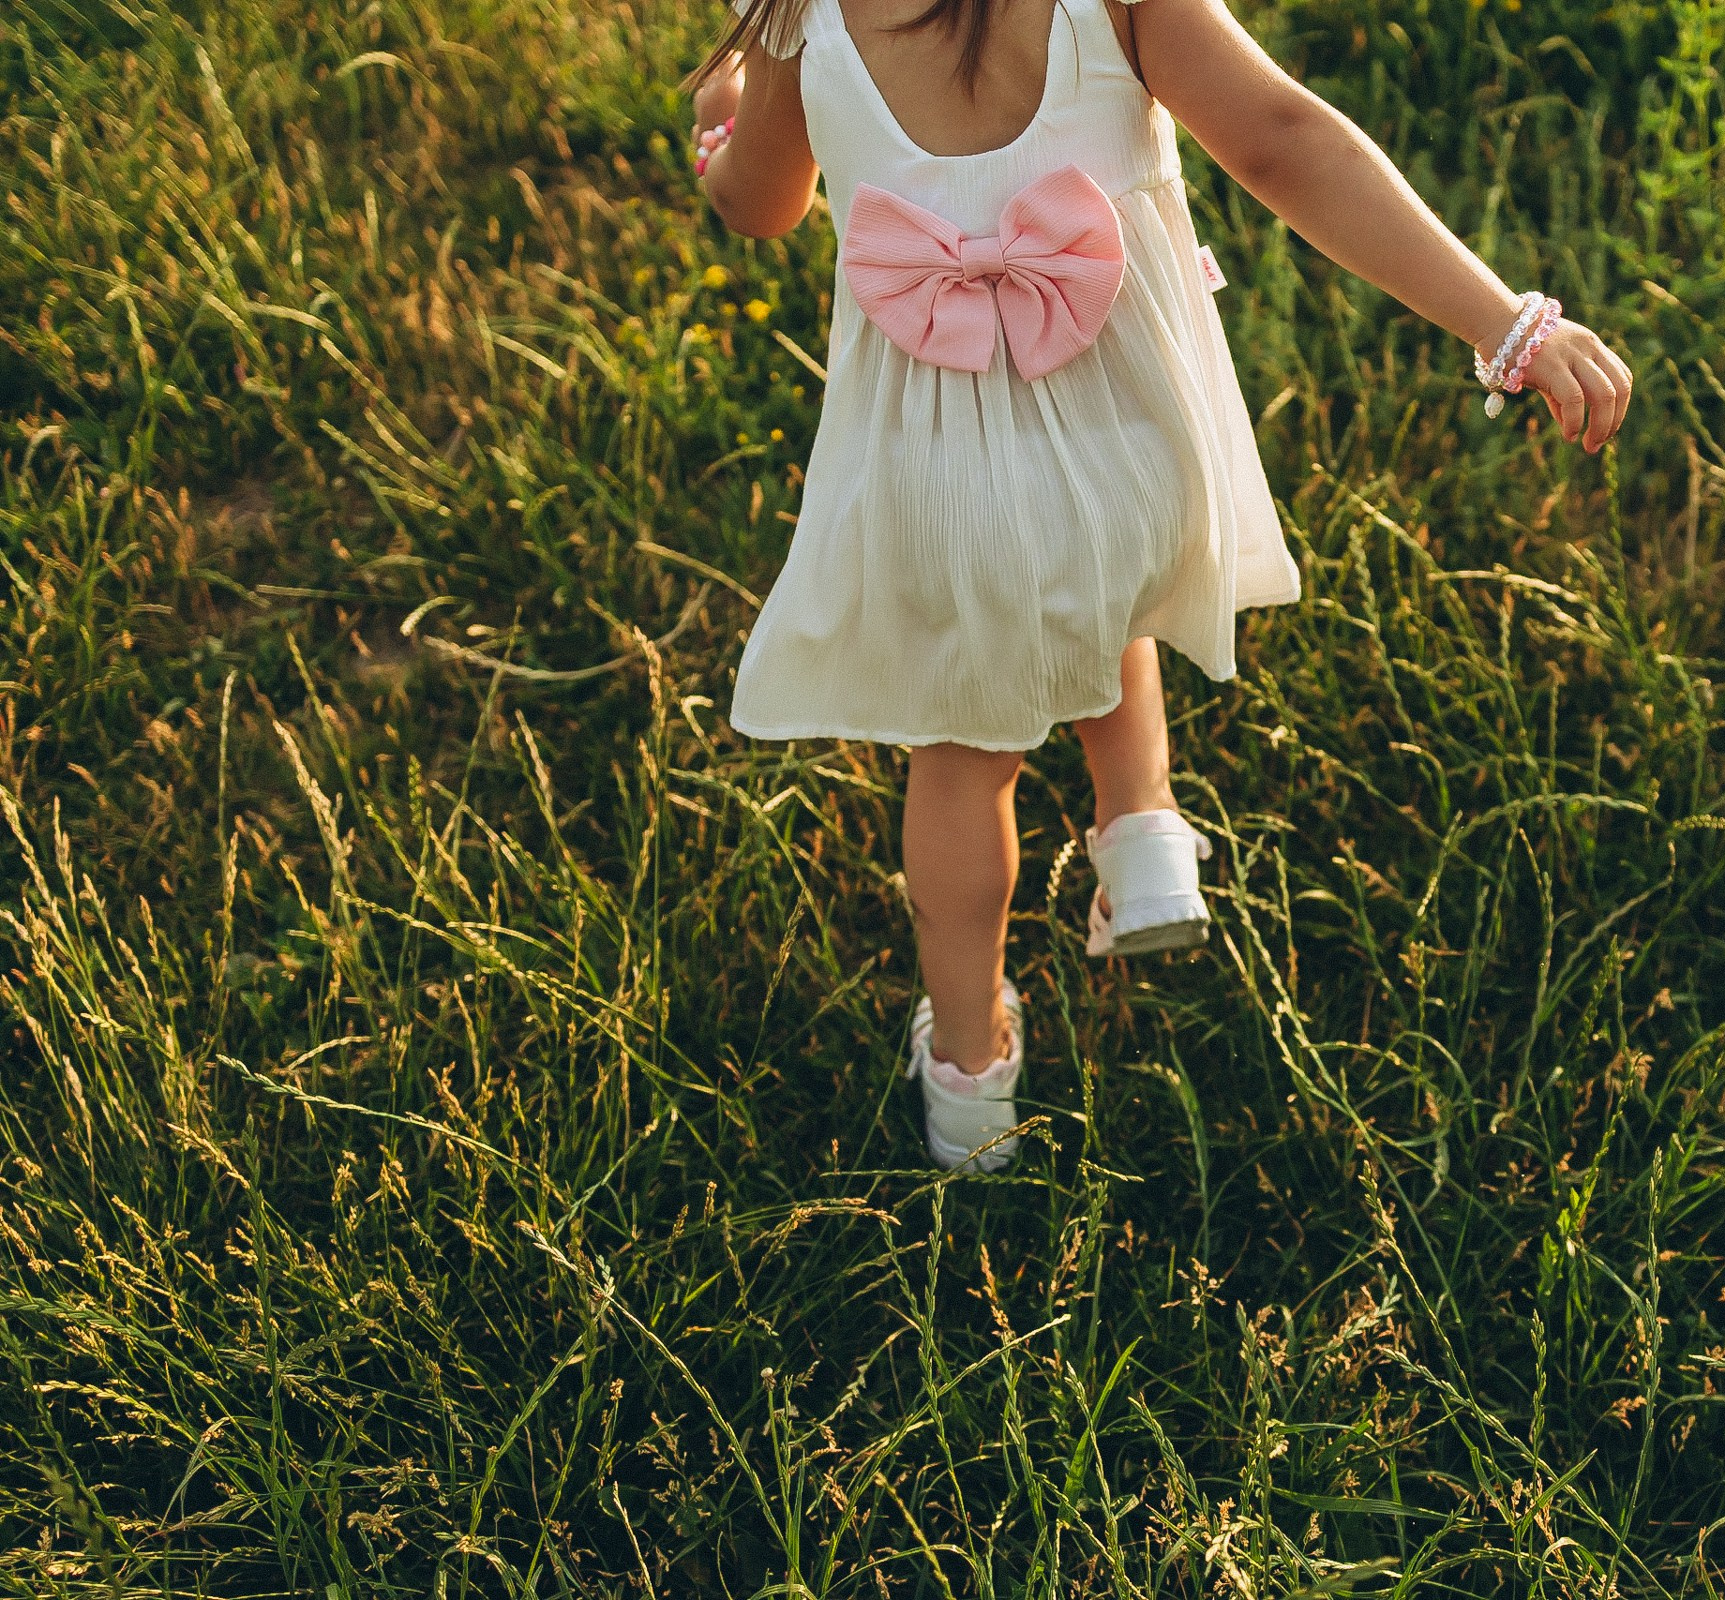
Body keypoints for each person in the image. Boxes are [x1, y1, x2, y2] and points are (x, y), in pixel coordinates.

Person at [684, 0, 1631, 1172]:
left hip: (941, 497)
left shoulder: (799, 13)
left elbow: (763, 203)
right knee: (1094, 572)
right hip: (1141, 457)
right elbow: (1286, 137)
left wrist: (724, 131)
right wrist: (1506, 321)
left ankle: (971, 1083)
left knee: (961, 763)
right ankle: (1143, 840)